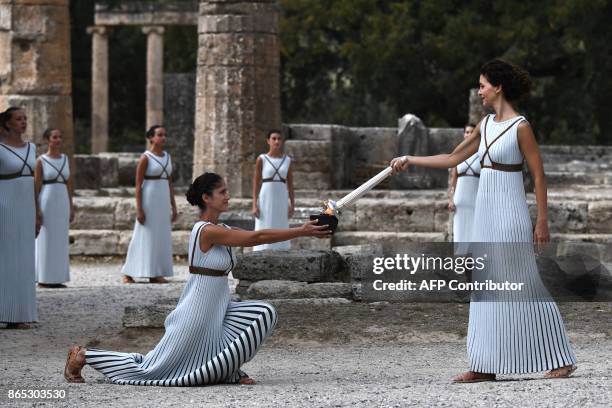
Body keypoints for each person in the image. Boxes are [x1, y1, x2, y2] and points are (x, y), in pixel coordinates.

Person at [391, 59, 577, 381]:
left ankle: (560, 357)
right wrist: (410, 159)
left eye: (482, 85)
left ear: (498, 87)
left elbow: (538, 175)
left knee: (525, 283)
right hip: (485, 215)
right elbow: (452, 157)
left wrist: (542, 221)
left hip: (511, 217)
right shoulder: (485, 125)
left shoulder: (521, 127)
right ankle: (484, 364)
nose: (480, 91)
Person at [64, 172, 331, 385]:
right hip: (197, 311)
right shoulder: (205, 231)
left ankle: (224, 369)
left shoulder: (222, 229)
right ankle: (83, 355)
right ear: (206, 197)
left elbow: (255, 233)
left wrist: (311, 224)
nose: (228, 196)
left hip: (218, 308)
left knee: (263, 313)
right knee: (152, 367)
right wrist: (301, 231)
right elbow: (255, 238)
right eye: (222, 192)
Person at [122, 126, 177, 284]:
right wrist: (139, 209)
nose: (163, 138)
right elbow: (138, 185)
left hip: (162, 200)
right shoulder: (145, 157)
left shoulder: (167, 156)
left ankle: (155, 272)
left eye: (165, 135)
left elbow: (170, 183)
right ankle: (128, 272)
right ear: (151, 138)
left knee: (160, 236)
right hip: (149, 200)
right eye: (159, 135)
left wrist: (174, 206)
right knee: (144, 235)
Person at [0, 107, 37, 329]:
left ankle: (20, 313)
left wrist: (38, 212)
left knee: (24, 259)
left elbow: (33, 182)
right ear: (7, 123)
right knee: (5, 258)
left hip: (26, 208)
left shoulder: (32, 148)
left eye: (25, 118)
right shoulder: (0, 149)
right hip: (5, 206)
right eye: (18, 119)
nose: (23, 122)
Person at [35, 128, 75, 288]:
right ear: (47, 140)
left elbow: (69, 184)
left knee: (60, 239)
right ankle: (44, 278)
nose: (58, 140)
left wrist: (72, 206)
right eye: (54, 137)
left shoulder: (65, 159)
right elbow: (36, 186)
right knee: (46, 238)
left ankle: (57, 277)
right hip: (47, 199)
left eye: (60, 137)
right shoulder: (41, 161)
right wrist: (36, 210)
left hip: (62, 200)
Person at [252, 129, 295, 251]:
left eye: (279, 139)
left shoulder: (287, 160)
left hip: (281, 196)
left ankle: (281, 251)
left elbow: (291, 186)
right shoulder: (262, 159)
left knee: (281, 224)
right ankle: (261, 250)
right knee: (264, 223)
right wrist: (254, 204)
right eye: (274, 138)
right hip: (266, 196)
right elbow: (256, 183)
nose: (277, 141)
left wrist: (292, 204)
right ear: (268, 141)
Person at [447, 124, 480, 248]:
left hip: (476, 199)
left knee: (475, 233)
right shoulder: (458, 153)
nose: (469, 134)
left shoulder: (481, 154)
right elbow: (453, 179)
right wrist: (450, 199)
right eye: (467, 132)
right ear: (464, 134)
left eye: (471, 132)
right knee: (459, 233)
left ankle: (474, 263)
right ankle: (459, 264)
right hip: (460, 199)